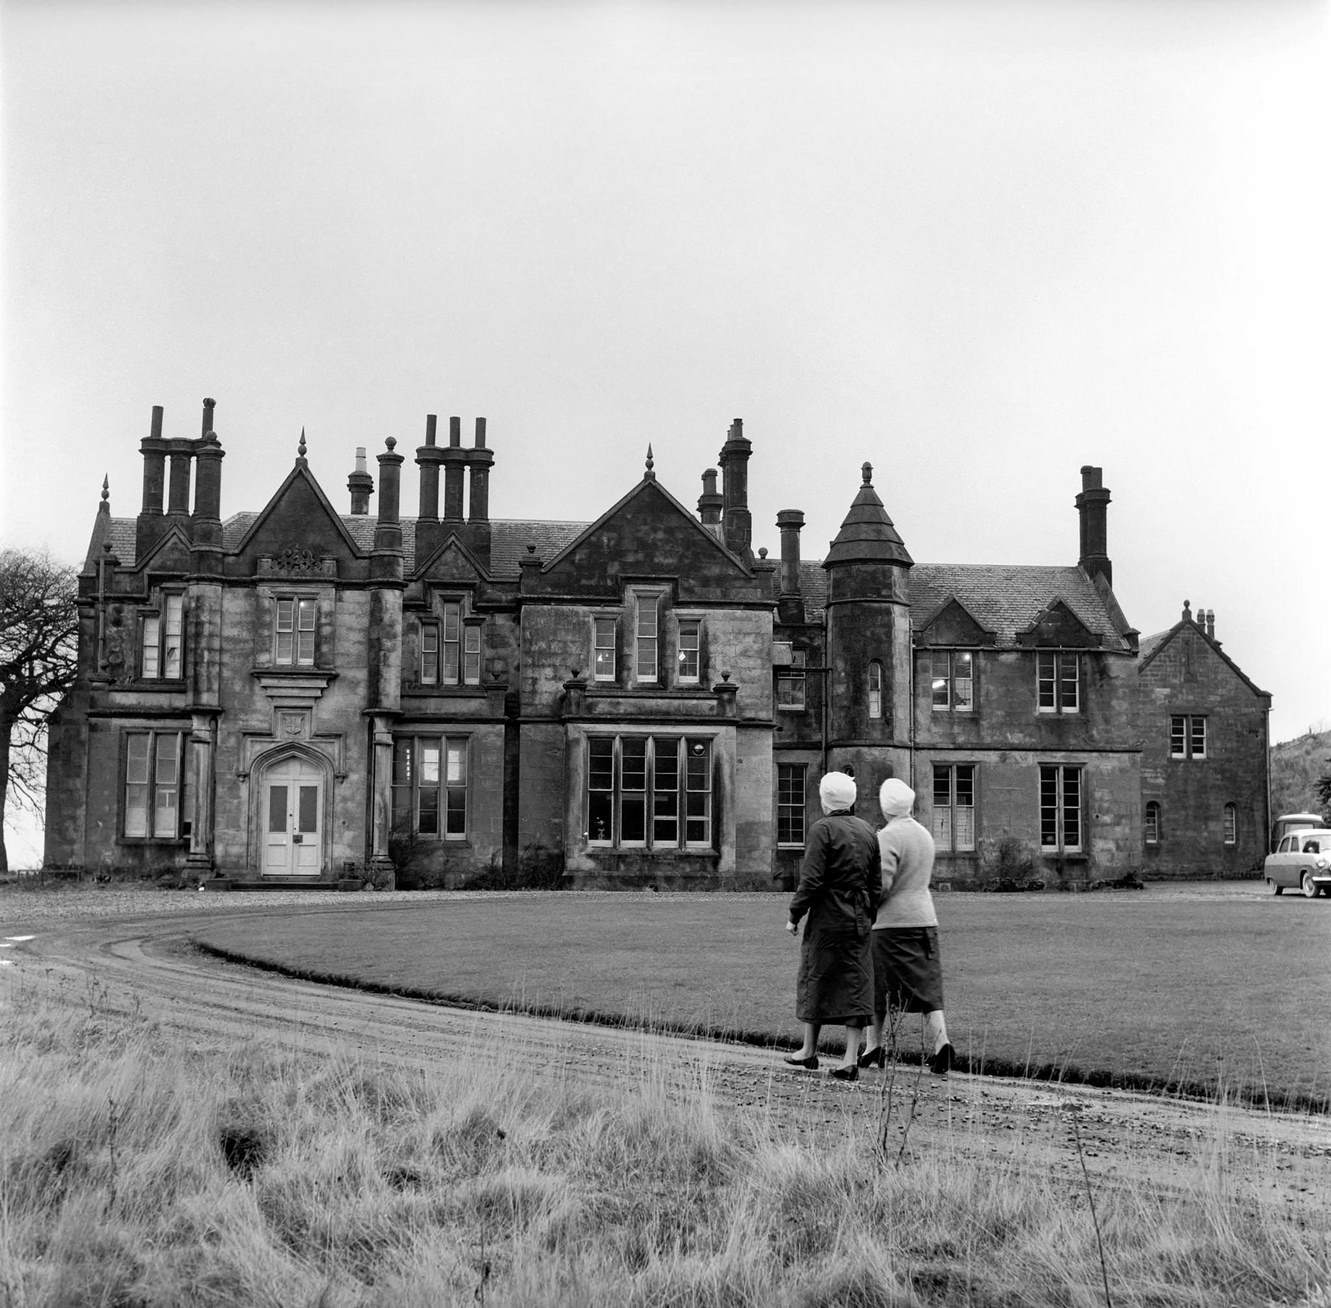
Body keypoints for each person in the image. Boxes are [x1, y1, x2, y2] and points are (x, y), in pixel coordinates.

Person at [783, 771, 881, 1082]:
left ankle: (809, 1048)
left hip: (827, 915)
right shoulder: (868, 830)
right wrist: (869, 914)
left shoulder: (822, 829)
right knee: (856, 982)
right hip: (858, 916)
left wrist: (794, 914)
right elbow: (876, 884)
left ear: (826, 800)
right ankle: (850, 1057)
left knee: (816, 975)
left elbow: (811, 880)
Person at [858, 777, 955, 1076]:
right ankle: (942, 1044)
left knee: (878, 988)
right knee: (927, 986)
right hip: (925, 918)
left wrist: (865, 906)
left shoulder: (886, 837)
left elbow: (882, 884)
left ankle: (873, 1047)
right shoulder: (924, 834)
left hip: (891, 924)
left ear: (885, 807)